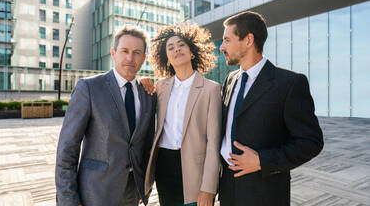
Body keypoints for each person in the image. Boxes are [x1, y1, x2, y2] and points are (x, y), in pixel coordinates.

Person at [218, 11, 324, 206]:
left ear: (248, 40)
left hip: (265, 194)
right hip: (227, 192)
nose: (222, 47)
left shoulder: (290, 83)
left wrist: (261, 160)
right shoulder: (230, 80)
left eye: (227, 40)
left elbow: (311, 142)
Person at [55, 25, 156, 206]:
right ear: (113, 53)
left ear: (144, 59)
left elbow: (146, 145)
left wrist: (145, 184)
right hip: (95, 192)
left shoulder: (148, 94)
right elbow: (67, 147)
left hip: (133, 193)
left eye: (137, 52)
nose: (130, 58)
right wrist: (68, 198)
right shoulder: (89, 88)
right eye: (124, 51)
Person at [141, 23, 221, 206]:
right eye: (171, 48)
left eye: (181, 45)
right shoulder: (161, 86)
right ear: (167, 59)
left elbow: (213, 143)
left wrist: (208, 188)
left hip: (195, 171)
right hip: (164, 166)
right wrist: (142, 80)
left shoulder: (211, 89)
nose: (176, 49)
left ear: (192, 52)